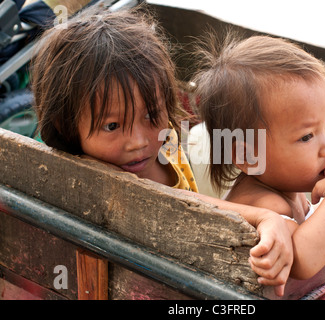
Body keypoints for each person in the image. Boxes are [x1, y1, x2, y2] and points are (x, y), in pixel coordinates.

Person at [31, 8, 292, 296]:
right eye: (113, 125)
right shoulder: (94, 178)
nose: (138, 141)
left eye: (151, 115)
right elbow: (182, 204)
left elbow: (190, 200)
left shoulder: (166, 139)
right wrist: (263, 217)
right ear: (65, 125)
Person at [192, 34, 325, 280]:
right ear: (248, 156)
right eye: (306, 137)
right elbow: (301, 261)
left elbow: (321, 220)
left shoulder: (292, 183)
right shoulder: (265, 203)